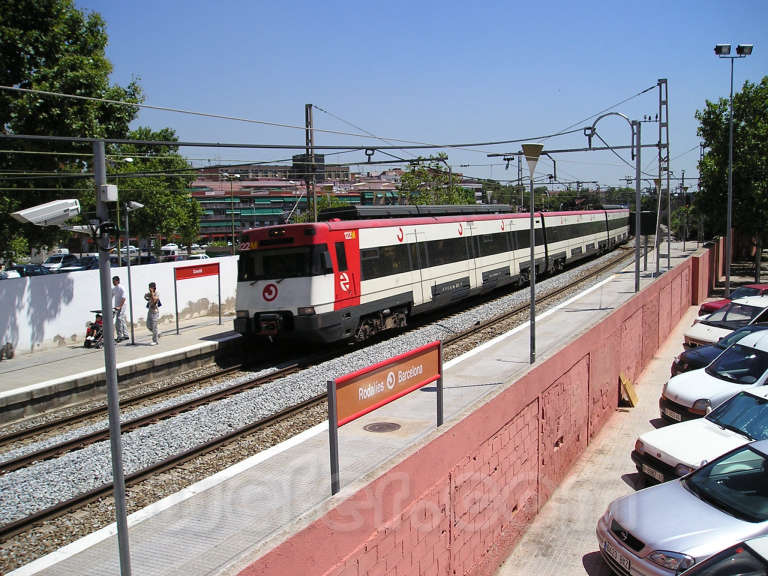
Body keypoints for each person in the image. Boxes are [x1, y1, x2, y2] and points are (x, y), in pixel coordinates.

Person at [112, 276, 128, 342]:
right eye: (112, 281)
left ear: (118, 281)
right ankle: (126, 335)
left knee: (119, 319)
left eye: (114, 281)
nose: (113, 282)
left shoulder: (121, 288)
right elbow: (111, 296)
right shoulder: (114, 289)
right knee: (122, 319)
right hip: (117, 306)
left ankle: (120, 336)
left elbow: (124, 298)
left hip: (122, 305)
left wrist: (120, 306)